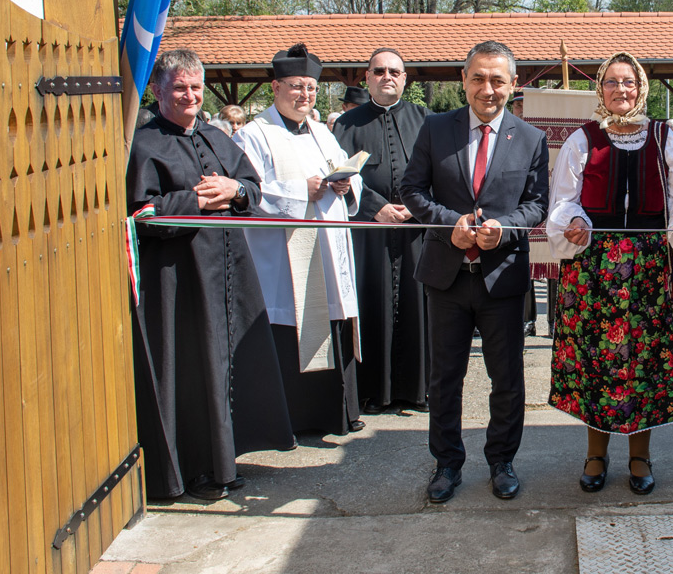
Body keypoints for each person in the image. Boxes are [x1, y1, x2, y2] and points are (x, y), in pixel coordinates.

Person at [127, 49, 294, 501]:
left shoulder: (219, 138)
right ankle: (192, 469)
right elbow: (138, 212)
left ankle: (226, 461)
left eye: (196, 87)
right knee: (190, 368)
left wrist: (234, 188)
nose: (189, 96)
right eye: (179, 87)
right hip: (178, 278)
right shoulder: (143, 145)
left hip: (229, 270)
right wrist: (195, 202)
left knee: (228, 364)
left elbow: (254, 190)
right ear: (158, 91)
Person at [547, 52, 673, 496]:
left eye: (630, 82)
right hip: (593, 270)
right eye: (613, 82)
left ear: (642, 88)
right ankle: (595, 455)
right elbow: (564, 198)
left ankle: (640, 457)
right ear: (600, 89)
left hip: (648, 270)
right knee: (597, 364)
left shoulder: (662, 137)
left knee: (645, 366)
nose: (622, 90)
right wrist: (573, 222)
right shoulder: (583, 139)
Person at [401, 40, 549, 504]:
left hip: (500, 278)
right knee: (445, 378)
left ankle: (502, 460)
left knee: (506, 378)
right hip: (446, 275)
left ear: (513, 84)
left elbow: (538, 204)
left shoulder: (530, 138)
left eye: (498, 80)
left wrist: (505, 229)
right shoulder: (435, 128)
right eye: (479, 78)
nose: (488, 89)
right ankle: (446, 463)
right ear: (463, 81)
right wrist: (451, 226)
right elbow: (412, 190)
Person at [233, 43, 365, 437]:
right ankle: (297, 419)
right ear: (275, 87)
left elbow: (348, 170)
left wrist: (346, 181)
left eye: (310, 88)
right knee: (295, 327)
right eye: (296, 87)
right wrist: (298, 190)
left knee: (334, 318)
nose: (304, 95)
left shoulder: (323, 132)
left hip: (330, 247)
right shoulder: (255, 135)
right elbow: (248, 193)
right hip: (286, 257)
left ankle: (337, 414)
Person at [332, 47, 432, 414]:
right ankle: (374, 391)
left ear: (405, 78)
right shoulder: (346, 124)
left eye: (394, 71)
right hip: (370, 234)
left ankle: (417, 390)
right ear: (367, 77)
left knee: (417, 305)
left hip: (415, 230)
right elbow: (341, 175)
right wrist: (377, 208)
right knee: (371, 303)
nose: (387, 76)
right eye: (379, 71)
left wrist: (416, 205)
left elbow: (442, 171)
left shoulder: (425, 119)